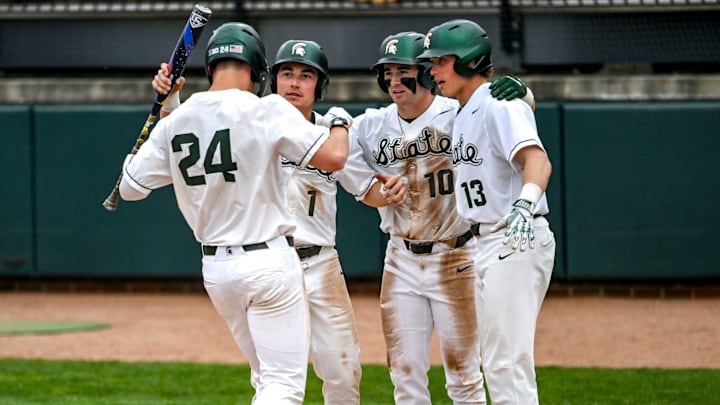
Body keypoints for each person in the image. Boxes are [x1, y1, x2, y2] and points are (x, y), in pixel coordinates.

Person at [152, 38, 406, 404]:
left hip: (318, 263)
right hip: (266, 261)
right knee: (271, 376)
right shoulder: (250, 120)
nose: (294, 83)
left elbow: (367, 190)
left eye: (305, 76)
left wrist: (391, 193)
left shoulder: (331, 136)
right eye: (286, 73)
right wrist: (171, 100)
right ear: (271, 80)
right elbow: (183, 138)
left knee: (342, 371)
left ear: (319, 85)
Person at [119, 22, 353, 404]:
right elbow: (335, 157)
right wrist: (340, 123)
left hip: (217, 273)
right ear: (259, 70)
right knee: (283, 386)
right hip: (268, 263)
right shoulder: (267, 108)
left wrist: (157, 123)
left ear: (210, 67)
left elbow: (129, 189)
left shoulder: (175, 119)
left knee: (264, 378)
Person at [344, 31, 532, 404]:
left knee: (464, 377)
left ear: (428, 72)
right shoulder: (369, 125)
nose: (394, 81)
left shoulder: (457, 110)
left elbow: (514, 111)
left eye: (404, 71)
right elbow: (342, 156)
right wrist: (377, 194)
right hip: (400, 258)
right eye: (388, 73)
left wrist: (522, 90)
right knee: (404, 374)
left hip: (456, 255)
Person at [417, 19, 556, 405]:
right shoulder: (463, 111)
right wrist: (528, 94)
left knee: (506, 361)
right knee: (497, 360)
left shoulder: (496, 102)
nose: (433, 70)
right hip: (486, 242)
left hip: (513, 236)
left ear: (467, 61)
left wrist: (525, 204)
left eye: (441, 61)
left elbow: (537, 160)